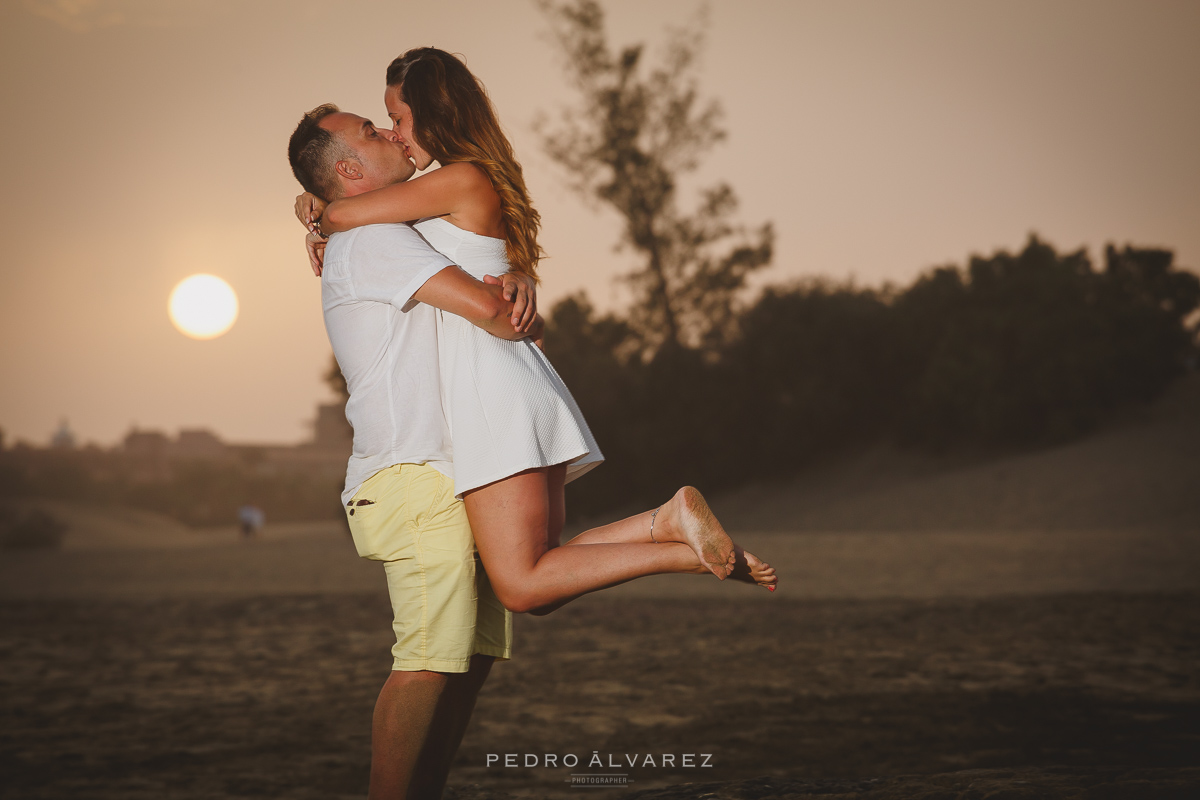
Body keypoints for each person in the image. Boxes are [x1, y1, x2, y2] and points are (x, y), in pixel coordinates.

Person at [296, 49, 777, 621]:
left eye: (398, 119)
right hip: (512, 375)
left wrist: (320, 210)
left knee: (522, 587)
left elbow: (350, 216)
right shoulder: (460, 181)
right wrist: (321, 196)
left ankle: (680, 551)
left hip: (488, 383)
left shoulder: (455, 178)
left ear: (431, 112)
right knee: (535, 570)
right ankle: (666, 523)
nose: (396, 136)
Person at [288, 104, 534, 800]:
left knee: (466, 658)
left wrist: (515, 277)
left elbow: (495, 296)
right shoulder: (373, 241)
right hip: (413, 475)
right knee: (427, 661)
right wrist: (511, 296)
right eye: (373, 130)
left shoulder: (380, 230)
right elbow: (497, 317)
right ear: (348, 170)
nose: (393, 133)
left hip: (446, 472)